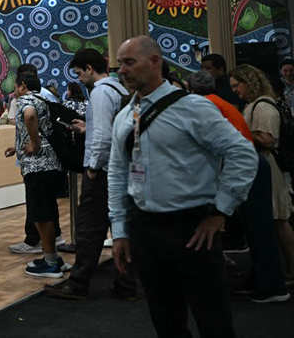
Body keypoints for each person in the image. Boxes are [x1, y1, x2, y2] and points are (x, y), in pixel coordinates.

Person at [109, 36, 258, 338]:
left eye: (129, 62)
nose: (122, 70)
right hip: (145, 229)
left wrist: (220, 212)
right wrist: (120, 230)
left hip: (192, 227)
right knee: (165, 319)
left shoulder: (192, 108)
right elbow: (117, 172)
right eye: (119, 64)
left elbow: (242, 153)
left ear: (154, 62)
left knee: (212, 318)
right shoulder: (125, 116)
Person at [189, 70, 289, 303]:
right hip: (252, 164)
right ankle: (263, 282)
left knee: (260, 230)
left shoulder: (207, 105)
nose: (234, 89)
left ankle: (271, 287)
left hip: (251, 166)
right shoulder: (218, 102)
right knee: (258, 230)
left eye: (237, 85)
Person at [45, 48, 135, 300]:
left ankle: (79, 282)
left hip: (103, 172)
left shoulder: (101, 92)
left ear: (89, 68)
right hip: (120, 169)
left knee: (89, 229)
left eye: (79, 73)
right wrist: (88, 127)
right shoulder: (119, 90)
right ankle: (126, 283)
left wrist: (93, 169)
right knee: (122, 227)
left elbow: (104, 137)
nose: (79, 79)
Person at [229, 64, 294, 281]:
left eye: (237, 85)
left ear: (249, 82)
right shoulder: (256, 105)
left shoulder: (263, 107)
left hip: (270, 168)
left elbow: (268, 139)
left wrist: (239, 129)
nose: (235, 90)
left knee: (279, 219)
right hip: (264, 168)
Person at [5, 70, 67, 277]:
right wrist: (20, 145)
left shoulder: (27, 101)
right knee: (48, 211)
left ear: (23, 85)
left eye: (15, 86)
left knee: (40, 215)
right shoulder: (44, 99)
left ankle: (50, 262)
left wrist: (35, 143)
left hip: (38, 167)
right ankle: (53, 256)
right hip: (51, 164)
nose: (14, 91)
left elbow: (29, 115)